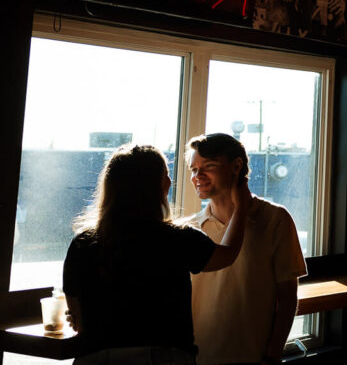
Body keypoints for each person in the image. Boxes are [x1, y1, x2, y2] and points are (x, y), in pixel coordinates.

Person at [63, 144, 249, 365]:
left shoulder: (82, 244)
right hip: (161, 357)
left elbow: (78, 320)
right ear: (156, 187)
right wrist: (242, 208)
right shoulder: (178, 238)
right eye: (166, 175)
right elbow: (227, 254)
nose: (170, 182)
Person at [186, 133, 307, 365]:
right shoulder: (190, 228)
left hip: (253, 355)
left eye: (208, 166)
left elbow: (288, 296)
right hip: (197, 358)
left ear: (236, 167)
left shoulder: (275, 219)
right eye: (193, 169)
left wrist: (273, 354)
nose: (197, 176)